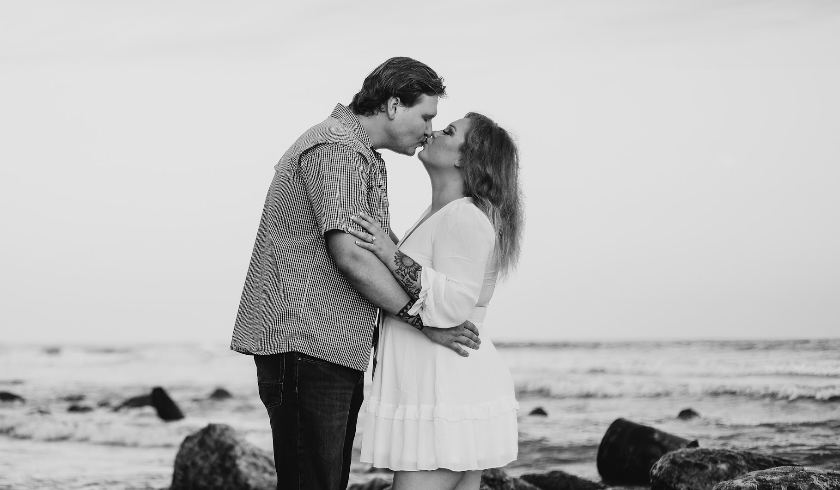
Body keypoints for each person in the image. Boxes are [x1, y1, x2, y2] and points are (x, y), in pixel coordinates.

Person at [230, 57, 482, 490]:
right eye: (426, 116)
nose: (429, 130)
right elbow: (351, 256)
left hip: (326, 348)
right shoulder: (338, 149)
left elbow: (378, 252)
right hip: (308, 344)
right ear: (393, 105)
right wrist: (424, 323)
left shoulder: (356, 153)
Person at [347, 112, 523, 490]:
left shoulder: (465, 217)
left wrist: (389, 252)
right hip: (441, 387)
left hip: (448, 392)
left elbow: (454, 304)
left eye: (449, 131)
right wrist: (391, 246)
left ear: (465, 158)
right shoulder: (440, 214)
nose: (433, 131)